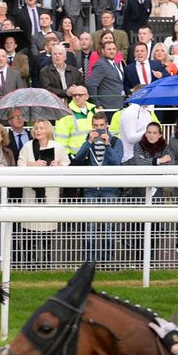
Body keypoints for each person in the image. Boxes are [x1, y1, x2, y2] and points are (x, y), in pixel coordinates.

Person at [16, 120, 69, 266]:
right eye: (36, 128)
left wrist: (58, 165)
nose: (38, 131)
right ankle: (29, 262)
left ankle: (46, 262)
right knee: (29, 230)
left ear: (48, 130)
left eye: (41, 128)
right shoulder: (27, 146)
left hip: (49, 193)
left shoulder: (57, 146)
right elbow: (19, 165)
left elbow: (66, 163)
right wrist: (32, 165)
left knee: (47, 228)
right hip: (31, 193)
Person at [72, 112, 122, 261]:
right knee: (90, 225)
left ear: (107, 126)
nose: (98, 128)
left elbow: (117, 162)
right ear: (92, 126)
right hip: (91, 188)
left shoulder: (115, 141)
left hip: (110, 189)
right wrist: (88, 142)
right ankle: (90, 259)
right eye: (95, 126)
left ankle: (107, 259)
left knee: (109, 226)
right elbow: (78, 158)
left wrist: (107, 145)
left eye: (101, 125)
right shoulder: (89, 140)